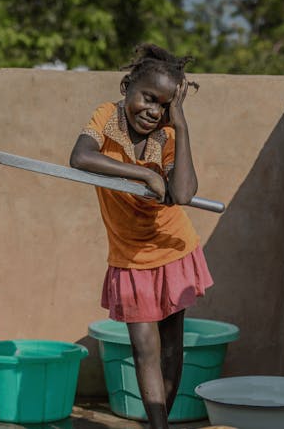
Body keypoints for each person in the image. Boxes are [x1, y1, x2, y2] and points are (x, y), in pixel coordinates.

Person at [69, 44, 213, 428]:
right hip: (129, 254)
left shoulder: (167, 134)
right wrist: (145, 174)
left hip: (172, 248)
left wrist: (180, 125)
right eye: (149, 97)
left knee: (171, 347)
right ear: (127, 85)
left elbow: (182, 194)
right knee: (143, 347)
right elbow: (80, 157)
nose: (153, 110)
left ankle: (157, 426)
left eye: (165, 105)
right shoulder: (106, 116)